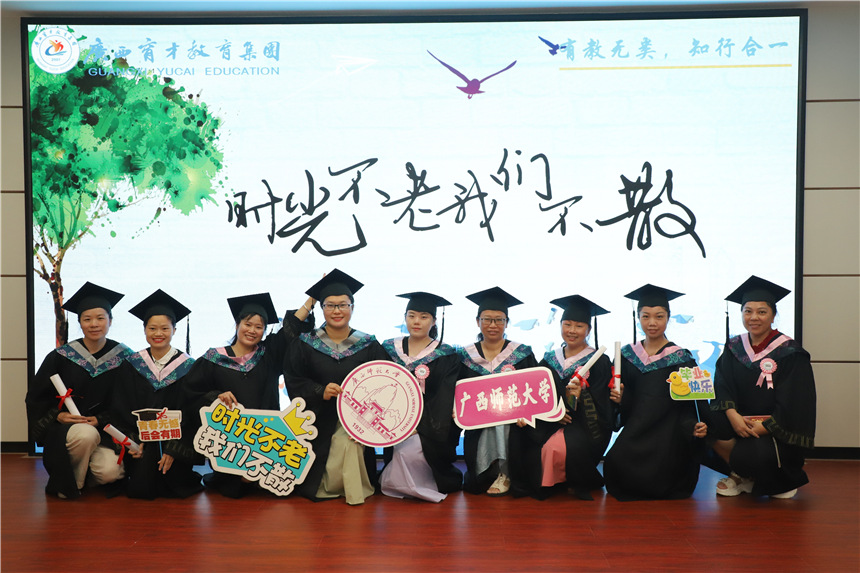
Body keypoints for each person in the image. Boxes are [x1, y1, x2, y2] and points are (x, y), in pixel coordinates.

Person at [185, 291, 314, 498]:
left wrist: (310, 301)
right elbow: (191, 392)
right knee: (236, 484)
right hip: (230, 443)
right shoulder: (213, 358)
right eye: (247, 324)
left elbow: (290, 329)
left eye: (259, 327)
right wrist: (216, 396)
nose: (252, 330)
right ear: (237, 325)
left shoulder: (268, 354)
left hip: (266, 440)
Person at [283, 269, 389, 505]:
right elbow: (294, 378)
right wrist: (320, 391)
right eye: (330, 305)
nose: (337, 311)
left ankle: (353, 486)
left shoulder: (368, 344)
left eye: (343, 305)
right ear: (322, 308)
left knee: (349, 441)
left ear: (352, 307)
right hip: (317, 416)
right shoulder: (305, 343)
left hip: (358, 417)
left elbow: (383, 381)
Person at [710, 276, 816, 499]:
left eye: (761, 312)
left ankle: (773, 477)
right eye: (748, 311)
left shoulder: (790, 353)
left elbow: (796, 401)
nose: (753, 317)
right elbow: (722, 383)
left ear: (773, 315)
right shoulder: (734, 347)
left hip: (773, 429)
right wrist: (733, 416)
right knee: (704, 424)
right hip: (739, 421)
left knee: (756, 452)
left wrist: (764, 427)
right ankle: (741, 474)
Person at [26, 282, 133, 499]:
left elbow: (130, 400)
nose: (94, 324)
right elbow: (37, 398)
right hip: (70, 432)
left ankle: (82, 472)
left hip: (107, 432)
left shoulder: (124, 357)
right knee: (86, 434)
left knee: (111, 473)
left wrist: (100, 419)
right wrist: (59, 415)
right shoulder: (61, 356)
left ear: (110, 321)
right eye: (87, 319)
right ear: (80, 323)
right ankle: (71, 485)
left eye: (100, 318)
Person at [603, 284, 708, 501]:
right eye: (646, 316)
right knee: (615, 461)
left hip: (669, 431)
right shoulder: (626, 355)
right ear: (638, 318)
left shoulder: (682, 357)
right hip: (637, 426)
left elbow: (694, 405)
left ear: (668, 318)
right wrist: (621, 398)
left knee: (664, 469)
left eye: (659, 316)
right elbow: (622, 401)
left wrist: (696, 425)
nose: (652, 323)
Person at [509, 295, 616, 500]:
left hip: (582, 424)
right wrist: (551, 414)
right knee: (520, 432)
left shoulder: (599, 361)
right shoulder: (549, 359)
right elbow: (537, 392)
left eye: (579, 326)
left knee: (556, 446)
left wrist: (583, 396)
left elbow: (603, 403)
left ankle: (564, 480)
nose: (572, 330)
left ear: (588, 330)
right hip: (549, 421)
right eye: (567, 324)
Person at [110, 289, 203, 499]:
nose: (158, 333)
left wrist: (174, 449)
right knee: (141, 488)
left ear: (174, 330)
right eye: (152, 328)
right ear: (144, 329)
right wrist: (135, 440)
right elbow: (121, 406)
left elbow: (192, 412)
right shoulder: (132, 364)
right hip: (142, 442)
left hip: (176, 443)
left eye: (164, 328)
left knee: (175, 484)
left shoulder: (188, 366)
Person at [379, 292, 463, 502]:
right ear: (405, 317)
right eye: (412, 315)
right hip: (391, 418)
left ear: (434, 322)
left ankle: (423, 483)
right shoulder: (388, 348)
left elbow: (444, 396)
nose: (416, 321)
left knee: (412, 449)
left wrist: (418, 425)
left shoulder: (446, 354)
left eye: (424, 317)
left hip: (428, 422)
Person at [458, 286, 538, 496]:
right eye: (487, 319)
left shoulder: (521, 353)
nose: (493, 325)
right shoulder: (465, 355)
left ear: (507, 323)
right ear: (478, 321)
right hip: (478, 421)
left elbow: (534, 389)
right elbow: (458, 391)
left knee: (502, 422)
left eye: (499, 320)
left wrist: (526, 413)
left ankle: (506, 473)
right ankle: (485, 471)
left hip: (514, 423)